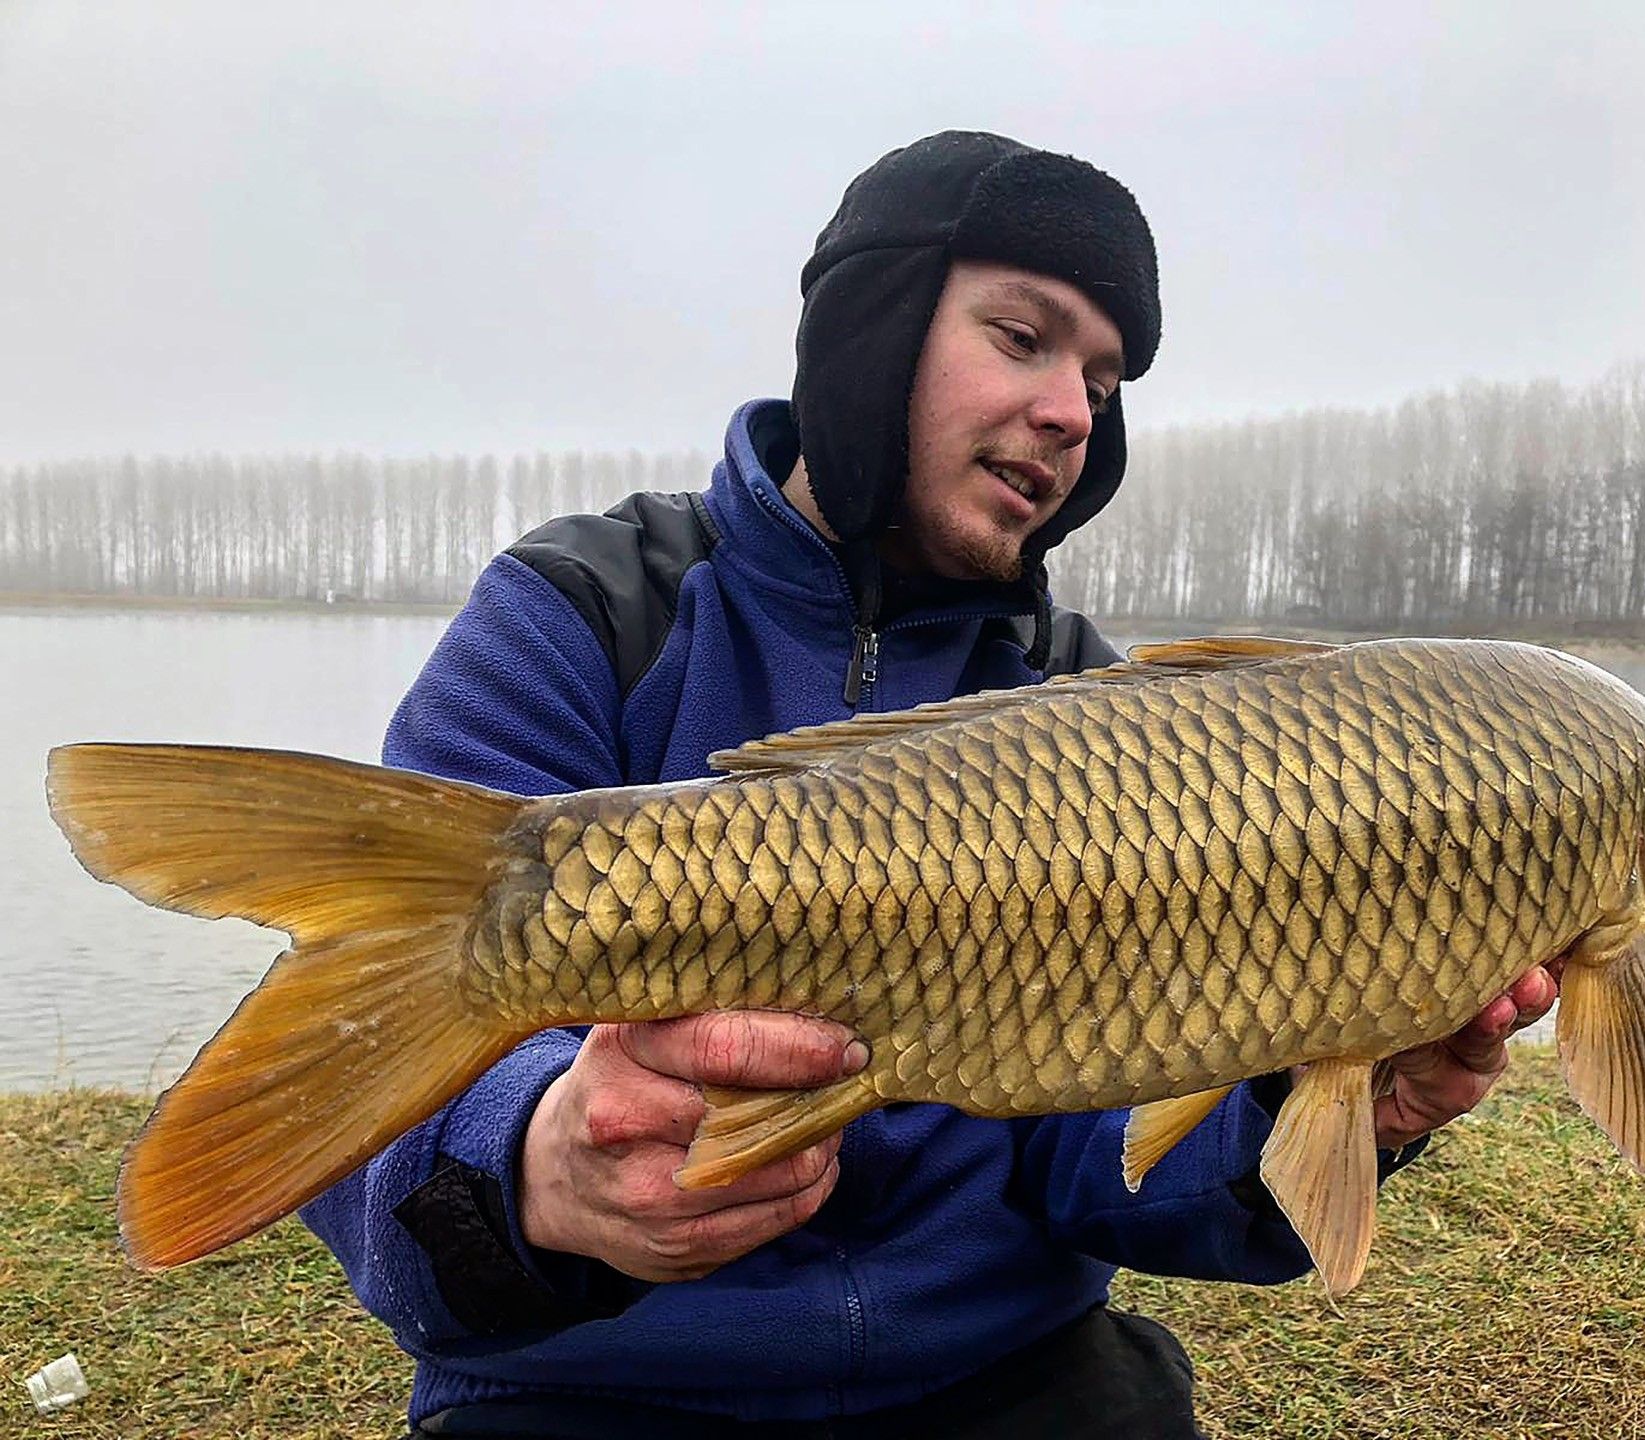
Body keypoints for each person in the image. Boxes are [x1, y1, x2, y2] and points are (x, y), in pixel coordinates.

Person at [301, 130, 1563, 1439]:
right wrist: (537, 1167)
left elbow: (1108, 1157)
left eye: (1103, 379)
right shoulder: (594, 614)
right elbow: (369, 1111)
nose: (1076, 411)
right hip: (600, 1386)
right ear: (876, 332)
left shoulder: (1101, 711)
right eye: (1024, 336)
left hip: (998, 1376)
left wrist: (1326, 1105)